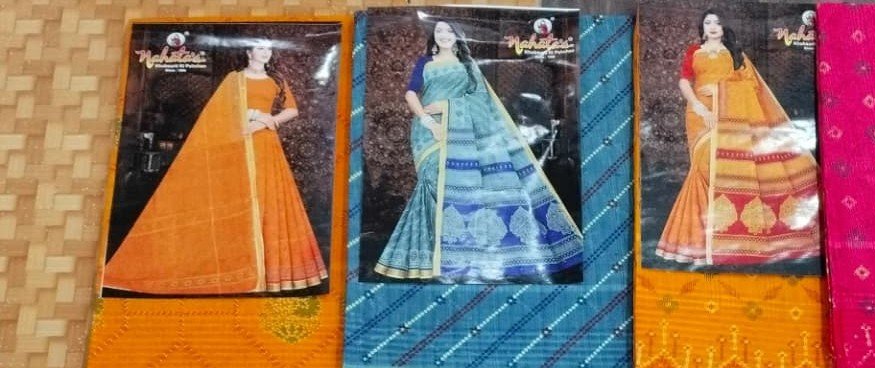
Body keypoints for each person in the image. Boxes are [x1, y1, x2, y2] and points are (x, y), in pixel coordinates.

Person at [103, 40, 327, 295]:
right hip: (240, 145)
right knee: (240, 200)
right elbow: (222, 112)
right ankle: (242, 266)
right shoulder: (235, 80)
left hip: (266, 145)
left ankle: (271, 272)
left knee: (269, 200)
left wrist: (267, 121)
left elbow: (292, 110)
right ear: (248, 52)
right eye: (260, 48)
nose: (266, 53)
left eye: (268, 49)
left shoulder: (276, 79)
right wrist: (254, 115)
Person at [374, 20, 583, 282]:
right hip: (427, 130)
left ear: (458, 36)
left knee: (457, 189)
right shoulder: (424, 63)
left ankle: (458, 257)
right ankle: (429, 256)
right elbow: (411, 94)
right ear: (433, 36)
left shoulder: (467, 66)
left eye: (449, 31)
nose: (444, 35)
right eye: (439, 31)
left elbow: (482, 101)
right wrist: (428, 121)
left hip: (459, 128)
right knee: (432, 181)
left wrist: (448, 106)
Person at [656, 10, 820, 266]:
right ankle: (699, 241)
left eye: (717, 22)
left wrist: (720, 91)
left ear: (724, 28)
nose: (713, 26)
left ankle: (713, 240)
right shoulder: (694, 51)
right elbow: (684, 82)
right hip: (698, 114)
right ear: (702, 27)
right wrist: (698, 106)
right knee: (702, 168)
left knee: (720, 169)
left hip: (730, 115)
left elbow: (750, 86)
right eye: (708, 22)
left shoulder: (735, 54)